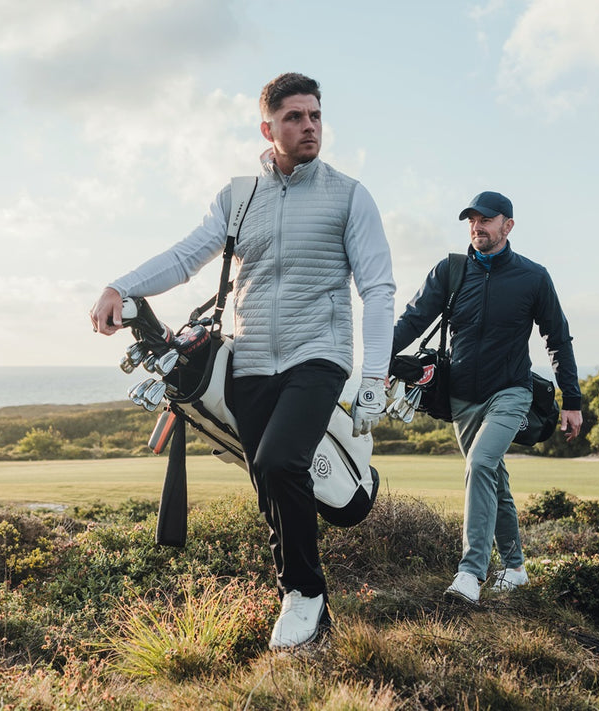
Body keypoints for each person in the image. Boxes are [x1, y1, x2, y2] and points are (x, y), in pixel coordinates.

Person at [89, 73, 395, 648]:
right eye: (294, 117)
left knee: (279, 462)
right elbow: (186, 258)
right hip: (250, 363)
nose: (309, 126)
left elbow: (377, 289)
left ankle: (303, 593)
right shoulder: (238, 197)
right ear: (267, 128)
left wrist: (374, 375)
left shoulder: (349, 195)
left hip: (319, 355)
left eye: (315, 116)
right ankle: (308, 611)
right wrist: (119, 286)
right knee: (267, 482)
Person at [391, 190, 582, 604]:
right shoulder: (451, 270)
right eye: (472, 221)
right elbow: (414, 319)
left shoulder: (533, 277)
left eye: (486, 220)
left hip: (511, 391)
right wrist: (375, 359)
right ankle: (515, 569)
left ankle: (470, 574)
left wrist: (572, 400)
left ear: (507, 226)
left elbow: (557, 338)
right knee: (493, 478)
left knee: (479, 464)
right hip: (461, 398)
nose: (477, 227)